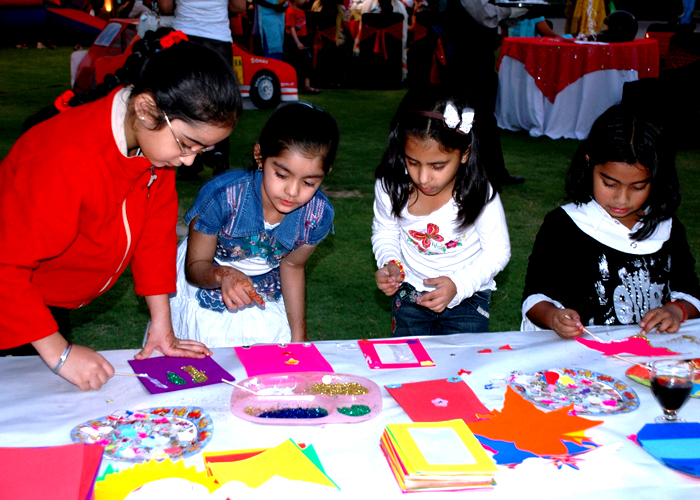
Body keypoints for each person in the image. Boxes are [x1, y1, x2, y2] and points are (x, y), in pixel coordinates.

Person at [0, 29, 242, 390]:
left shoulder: (155, 151)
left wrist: (162, 322)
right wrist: (60, 354)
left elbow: (154, 235)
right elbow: (6, 266)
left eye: (202, 150)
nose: (190, 161)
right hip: (14, 297)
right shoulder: (63, 159)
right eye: (187, 144)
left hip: (42, 301)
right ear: (145, 109)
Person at [522, 104, 700, 339]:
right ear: (589, 163)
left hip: (655, 353)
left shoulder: (667, 228)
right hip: (586, 353)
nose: (622, 199)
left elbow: (691, 294)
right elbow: (535, 297)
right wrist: (554, 317)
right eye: (609, 184)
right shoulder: (564, 225)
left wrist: (676, 310)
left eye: (638, 187)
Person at [169, 102, 338, 347]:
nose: (292, 192)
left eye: (309, 183)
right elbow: (195, 268)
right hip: (207, 278)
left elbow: (292, 266)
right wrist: (223, 275)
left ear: (325, 172)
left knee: (274, 357)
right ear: (260, 156)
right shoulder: (221, 197)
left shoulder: (317, 216)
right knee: (210, 354)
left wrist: (299, 337)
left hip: (266, 288)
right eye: (282, 175)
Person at [372, 86, 511, 336]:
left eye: (437, 166)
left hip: (468, 297)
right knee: (409, 358)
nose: (423, 177)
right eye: (413, 162)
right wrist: (391, 263)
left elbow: (497, 251)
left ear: (464, 153)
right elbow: (385, 232)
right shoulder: (391, 187)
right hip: (410, 291)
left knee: (463, 360)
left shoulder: (478, 193)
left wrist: (458, 285)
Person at [439, 0, 527, 186]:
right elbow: (483, 13)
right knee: (473, 117)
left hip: (477, 55)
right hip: (467, 57)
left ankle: (490, 172)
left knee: (482, 118)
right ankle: (474, 173)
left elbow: (488, 14)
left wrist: (513, 13)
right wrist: (511, 11)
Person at [157, 0, 247, 178]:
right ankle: (219, 155)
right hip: (218, 37)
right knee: (219, 103)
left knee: (184, 102)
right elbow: (239, 6)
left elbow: (165, 6)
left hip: (185, 36)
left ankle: (189, 160)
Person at [284, 0, 320, 94]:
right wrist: (297, 42)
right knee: (293, 62)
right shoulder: (290, 11)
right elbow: (291, 27)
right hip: (295, 40)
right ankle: (290, 84)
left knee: (306, 62)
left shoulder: (301, 11)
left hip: (303, 39)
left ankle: (307, 85)